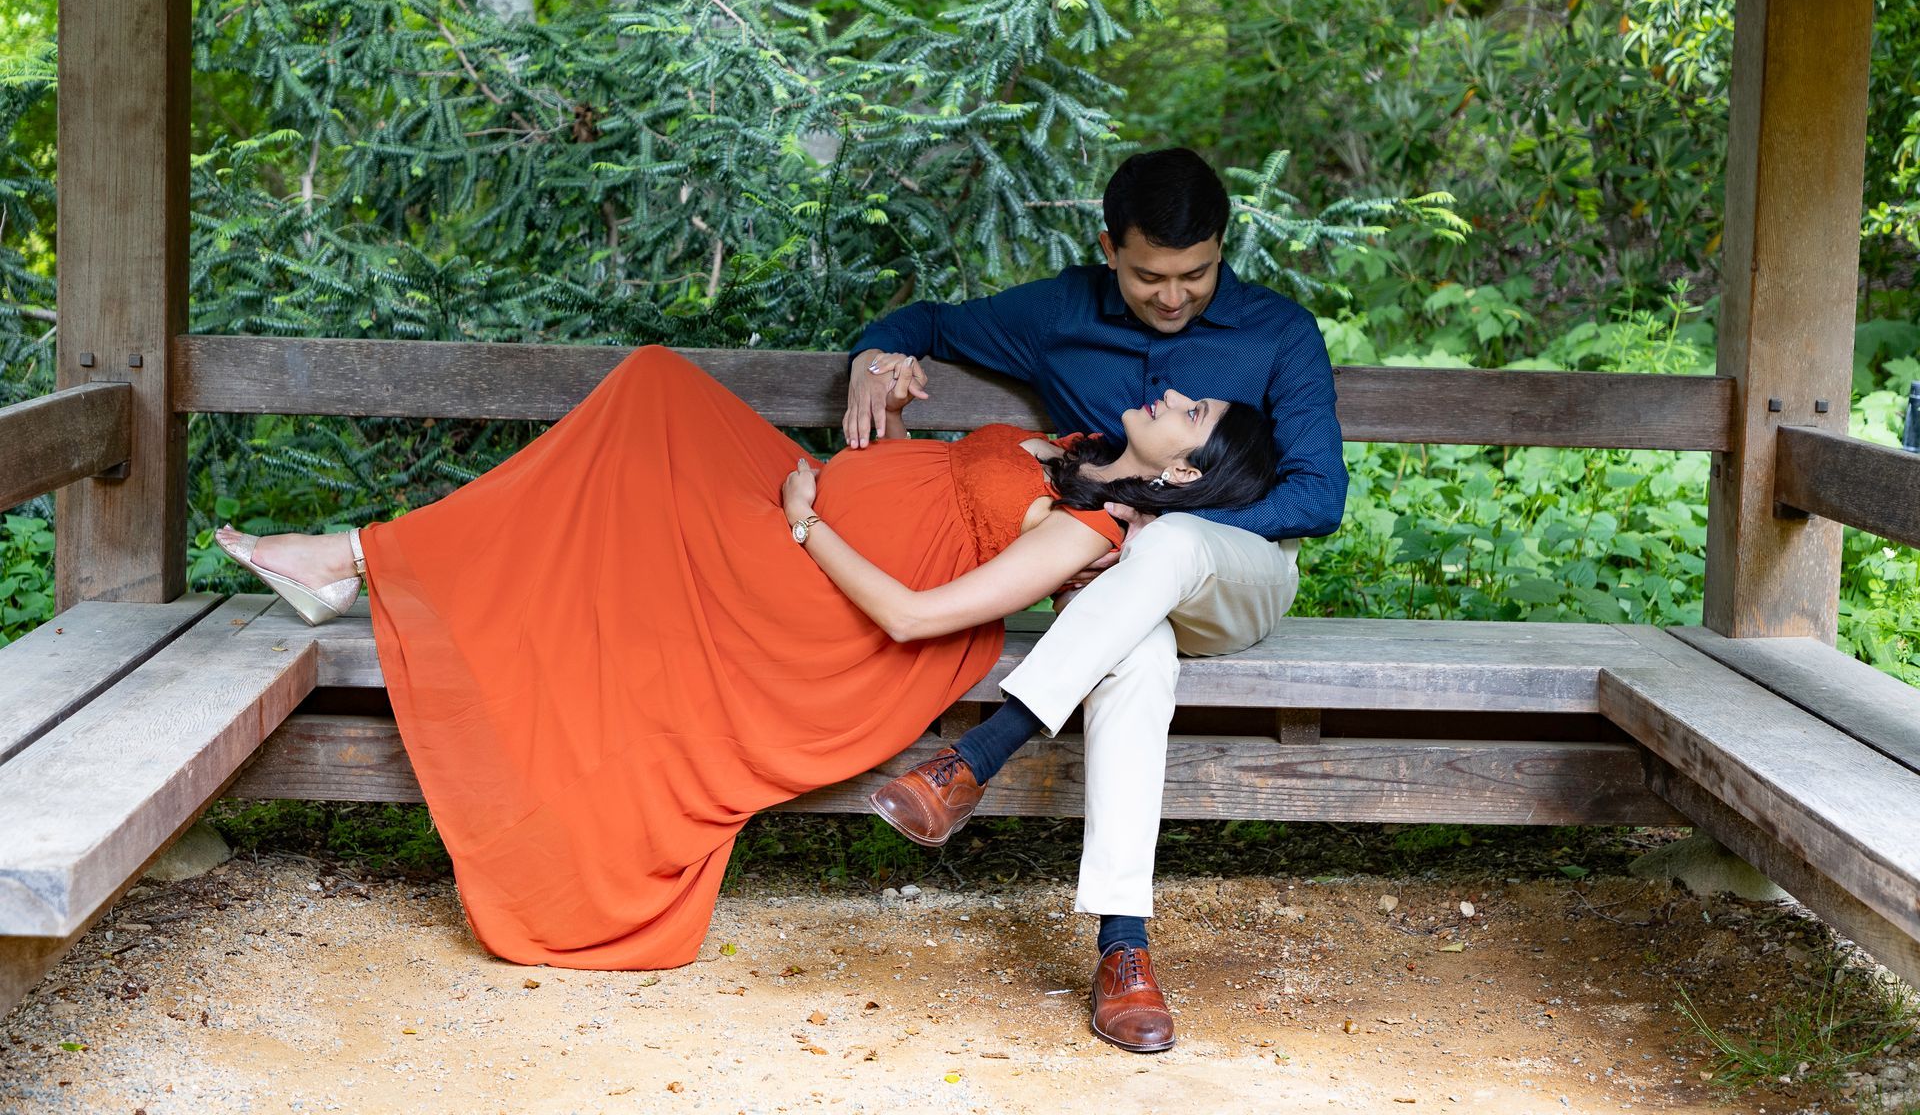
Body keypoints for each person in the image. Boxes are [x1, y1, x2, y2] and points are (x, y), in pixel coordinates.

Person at [210, 343, 1279, 979]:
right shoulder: (1077, 446)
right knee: (655, 382)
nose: (1172, 394)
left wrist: (813, 527)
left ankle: (353, 555)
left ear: (1185, 469)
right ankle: (360, 556)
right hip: (794, 495)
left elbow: (915, 612)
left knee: (633, 450)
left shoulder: (1088, 533)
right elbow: (927, 494)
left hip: (816, 597)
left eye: (1192, 413)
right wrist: (894, 425)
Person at [848, 146, 1347, 1054]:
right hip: (1119, 599)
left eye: (1195, 274)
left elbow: (1319, 497)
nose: (1172, 296)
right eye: (1150, 275)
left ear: (1222, 247)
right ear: (1110, 246)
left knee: (1173, 544)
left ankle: (979, 754)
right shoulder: (1059, 314)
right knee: (1139, 654)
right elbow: (923, 321)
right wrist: (872, 359)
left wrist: (1155, 521)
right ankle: (1126, 949)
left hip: (1240, 576)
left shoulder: (1279, 332)